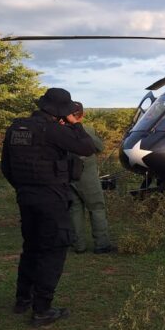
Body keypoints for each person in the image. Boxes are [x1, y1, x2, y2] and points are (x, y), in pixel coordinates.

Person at [1, 88, 96, 326]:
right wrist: (75, 124)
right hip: (51, 198)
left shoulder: (16, 128)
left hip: (26, 196)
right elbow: (87, 148)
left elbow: (6, 167)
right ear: (60, 111)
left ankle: (23, 300)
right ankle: (42, 309)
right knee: (53, 250)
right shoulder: (52, 130)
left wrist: (24, 188)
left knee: (31, 248)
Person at [69, 102, 116, 254]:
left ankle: (79, 245)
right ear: (81, 115)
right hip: (86, 176)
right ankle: (102, 244)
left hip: (67, 176)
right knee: (97, 208)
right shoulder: (86, 129)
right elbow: (100, 147)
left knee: (75, 209)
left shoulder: (58, 131)